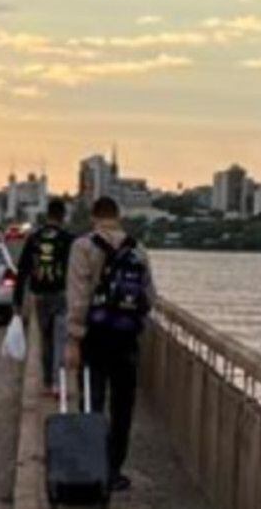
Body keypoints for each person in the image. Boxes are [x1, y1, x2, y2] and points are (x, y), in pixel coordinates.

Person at [65, 195, 157, 491]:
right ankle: (114, 471)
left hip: (95, 336)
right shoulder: (138, 249)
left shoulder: (83, 247)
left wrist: (74, 339)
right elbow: (151, 297)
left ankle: (91, 468)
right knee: (123, 405)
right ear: (118, 216)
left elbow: (78, 298)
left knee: (92, 400)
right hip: (127, 337)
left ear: (94, 217)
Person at [12, 198, 76, 395]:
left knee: (46, 340)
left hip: (40, 296)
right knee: (60, 338)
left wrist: (17, 301)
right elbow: (77, 271)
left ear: (47, 215)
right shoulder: (69, 239)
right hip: (62, 295)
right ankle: (58, 383)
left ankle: (48, 383)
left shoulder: (34, 238)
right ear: (63, 216)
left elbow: (22, 270)